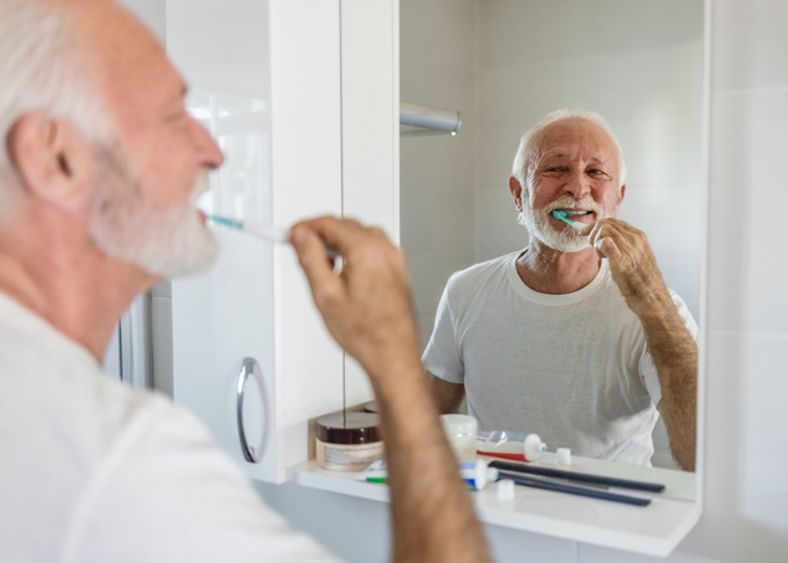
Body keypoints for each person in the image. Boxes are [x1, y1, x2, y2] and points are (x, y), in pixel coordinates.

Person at [0, 1, 490, 562]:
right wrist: (396, 367)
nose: (213, 151)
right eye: (171, 116)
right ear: (55, 158)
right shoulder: (113, 461)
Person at [424, 109, 698, 470]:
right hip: (497, 511)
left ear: (618, 198)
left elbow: (700, 457)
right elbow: (424, 418)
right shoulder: (466, 291)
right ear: (518, 193)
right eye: (555, 169)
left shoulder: (661, 310)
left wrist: (652, 300)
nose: (577, 188)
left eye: (596, 172)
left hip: (613, 517)